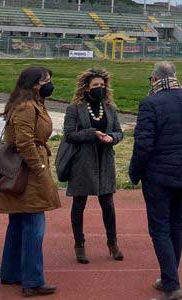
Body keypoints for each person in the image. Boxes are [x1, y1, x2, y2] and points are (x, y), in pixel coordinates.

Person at [129, 61, 182, 300]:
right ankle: (168, 278)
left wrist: (135, 172)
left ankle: (172, 285)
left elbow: (143, 145)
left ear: (154, 79)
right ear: (175, 76)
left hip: (158, 176)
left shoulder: (150, 103)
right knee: (176, 225)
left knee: (160, 228)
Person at [0, 66, 61, 297]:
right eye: (46, 81)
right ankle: (32, 281)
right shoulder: (26, 107)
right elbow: (24, 142)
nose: (50, 84)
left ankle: (11, 273)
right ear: (33, 84)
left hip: (25, 171)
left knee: (18, 224)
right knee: (34, 227)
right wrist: (39, 169)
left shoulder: (32, 104)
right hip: (27, 173)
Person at [63, 68, 124, 264]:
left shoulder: (110, 108)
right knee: (79, 203)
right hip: (82, 163)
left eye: (102, 85)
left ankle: (112, 242)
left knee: (108, 203)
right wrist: (92, 133)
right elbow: (69, 135)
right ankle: (79, 244)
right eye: (96, 85)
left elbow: (119, 132)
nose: (100, 88)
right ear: (86, 88)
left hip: (105, 161)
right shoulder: (74, 109)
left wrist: (111, 138)